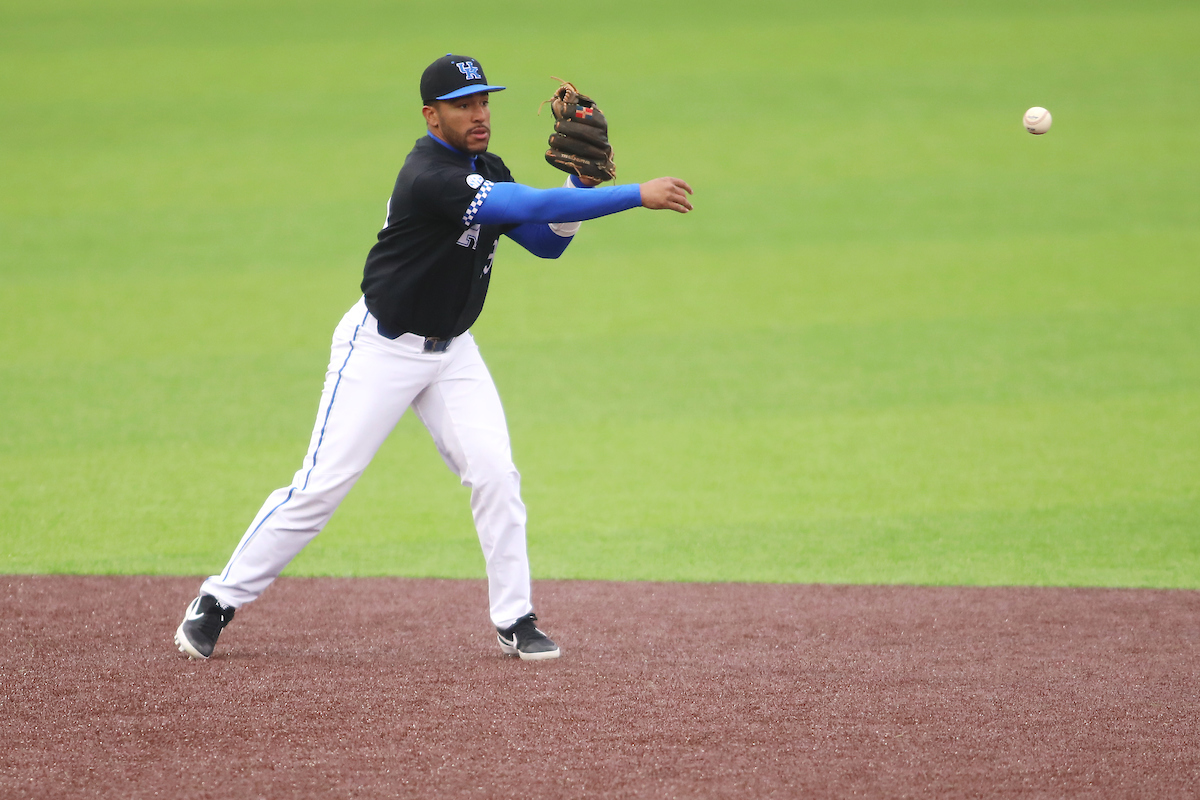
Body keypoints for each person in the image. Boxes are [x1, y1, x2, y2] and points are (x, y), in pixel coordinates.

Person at [174, 54, 693, 662]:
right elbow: (524, 207)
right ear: (431, 116)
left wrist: (580, 187)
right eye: (463, 105)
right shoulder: (430, 176)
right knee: (319, 490)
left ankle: (516, 619)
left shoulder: (484, 168)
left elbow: (544, 242)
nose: (479, 115)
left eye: (484, 102)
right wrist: (635, 195)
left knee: (496, 474)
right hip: (380, 349)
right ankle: (216, 601)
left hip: (452, 353)